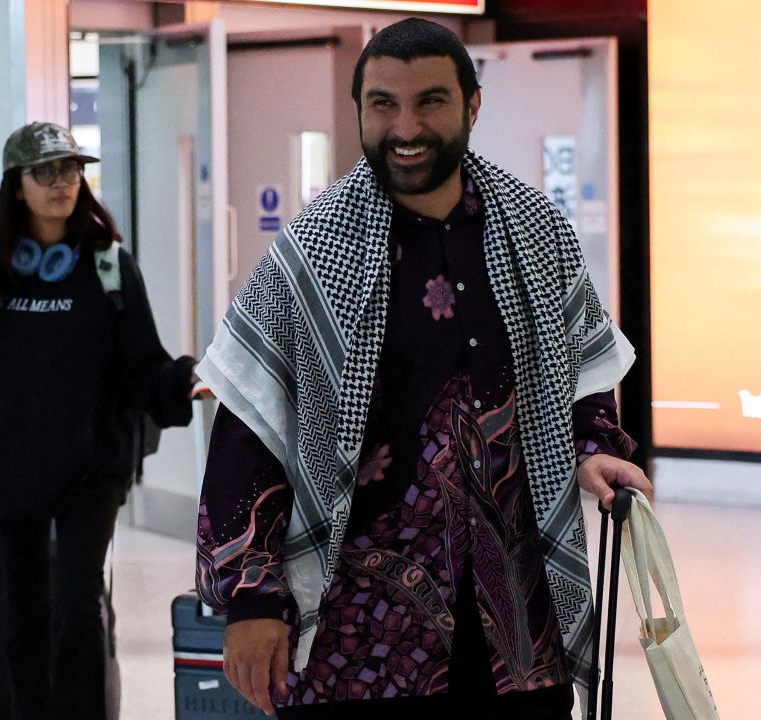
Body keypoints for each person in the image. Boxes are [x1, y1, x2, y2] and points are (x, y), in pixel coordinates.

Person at [194, 19, 652, 720]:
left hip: (518, 634)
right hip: (358, 643)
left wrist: (595, 448)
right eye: (383, 104)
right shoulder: (310, 252)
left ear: (472, 105)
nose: (405, 125)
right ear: (360, 111)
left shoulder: (535, 227)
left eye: (431, 102)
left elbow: (582, 363)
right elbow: (249, 429)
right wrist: (252, 599)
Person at [0, 121, 196, 720]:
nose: (63, 183)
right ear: (17, 186)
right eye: (47, 172)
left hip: (91, 466)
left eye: (71, 169)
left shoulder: (108, 264)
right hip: (12, 465)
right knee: (22, 614)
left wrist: (185, 379)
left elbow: (143, 362)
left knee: (78, 607)